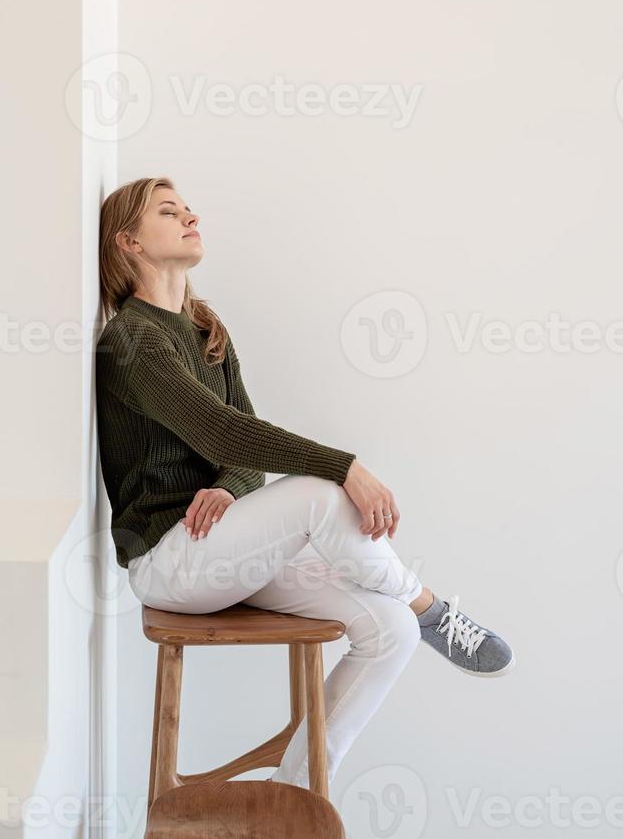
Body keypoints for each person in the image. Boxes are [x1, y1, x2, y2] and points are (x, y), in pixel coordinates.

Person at [95, 175, 515, 791]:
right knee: (322, 493)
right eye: (169, 211)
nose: (190, 215)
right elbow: (221, 432)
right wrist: (344, 466)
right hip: (168, 559)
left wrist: (232, 491)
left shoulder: (207, 329)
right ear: (128, 241)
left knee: (387, 631)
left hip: (221, 549)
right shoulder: (133, 340)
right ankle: (428, 605)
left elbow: (244, 447)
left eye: (188, 207)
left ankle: (292, 796)